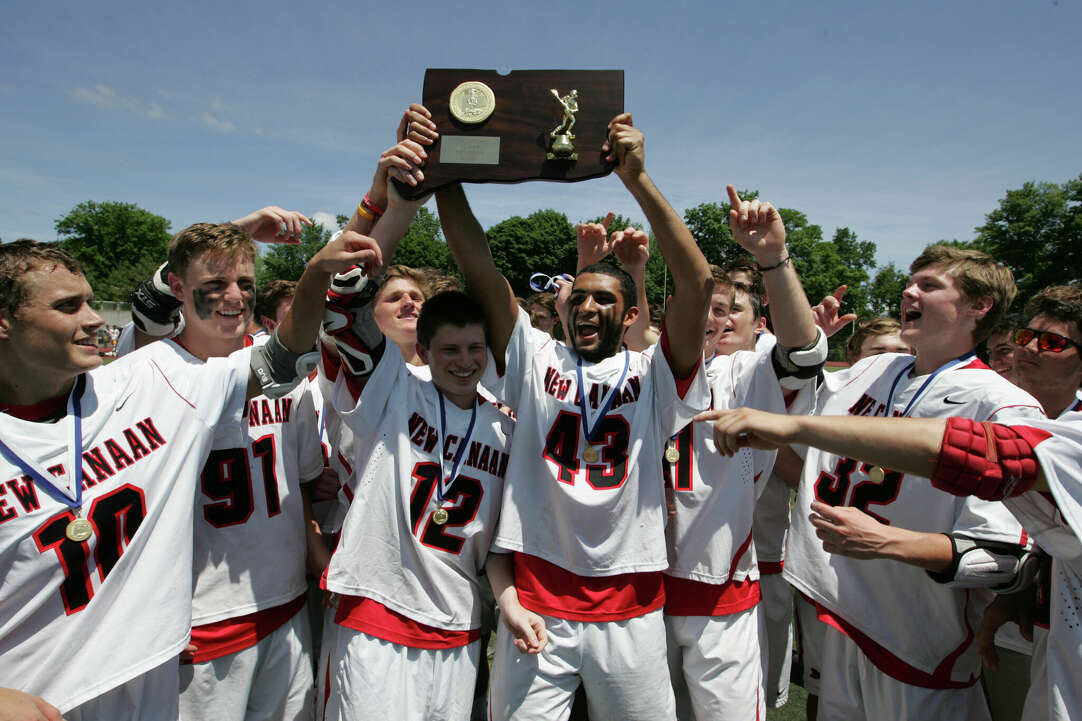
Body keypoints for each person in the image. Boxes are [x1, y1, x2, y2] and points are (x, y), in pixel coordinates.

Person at [0, 230, 379, 720]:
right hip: (58, 686)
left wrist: (330, 259)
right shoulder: (154, 365)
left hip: (163, 658)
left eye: (91, 303)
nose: (95, 320)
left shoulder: (135, 385)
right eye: (69, 306)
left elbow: (282, 359)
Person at [438, 112, 713, 721]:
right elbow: (478, 264)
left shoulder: (655, 373)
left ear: (633, 312)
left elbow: (696, 281)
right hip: (536, 597)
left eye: (605, 299)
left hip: (632, 602)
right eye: (578, 296)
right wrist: (443, 173)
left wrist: (637, 179)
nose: (587, 306)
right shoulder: (534, 357)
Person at [736, 244, 1043, 720]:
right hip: (843, 617)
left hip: (918, 642)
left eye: (929, 285)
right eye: (911, 280)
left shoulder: (1003, 405)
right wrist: (775, 258)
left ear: (978, 306)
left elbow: (1006, 560)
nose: (908, 290)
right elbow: (801, 363)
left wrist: (891, 542)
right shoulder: (874, 368)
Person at [316, 179, 518, 721]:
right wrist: (401, 202)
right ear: (423, 352)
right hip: (378, 610)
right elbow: (342, 303)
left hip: (458, 621)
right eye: (449, 349)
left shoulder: (504, 428)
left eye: (475, 348)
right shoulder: (394, 389)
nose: (464, 360)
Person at [663, 187, 826, 721]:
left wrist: (773, 259)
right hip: (637, 585)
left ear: (758, 325)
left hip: (719, 587)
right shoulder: (643, 366)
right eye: (705, 307)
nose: (716, 318)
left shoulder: (747, 371)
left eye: (730, 310)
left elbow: (803, 355)